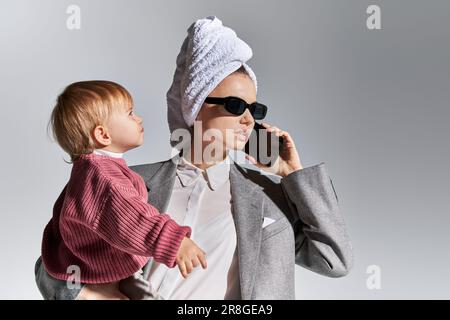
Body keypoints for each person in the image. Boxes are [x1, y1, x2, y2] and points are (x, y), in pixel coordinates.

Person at [35, 16, 353, 300]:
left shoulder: (269, 194)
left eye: (254, 110)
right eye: (234, 105)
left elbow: (334, 260)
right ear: (195, 105)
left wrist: (292, 174)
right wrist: (88, 296)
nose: (248, 120)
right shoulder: (127, 183)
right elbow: (53, 263)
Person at [37, 80, 206, 300]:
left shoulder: (94, 169)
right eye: (130, 114)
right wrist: (175, 241)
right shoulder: (102, 177)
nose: (139, 118)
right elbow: (132, 218)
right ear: (103, 135)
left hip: (98, 266)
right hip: (82, 275)